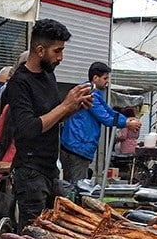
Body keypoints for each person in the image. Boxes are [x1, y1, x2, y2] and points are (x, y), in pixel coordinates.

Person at [2, 19, 92, 229]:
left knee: (58, 228)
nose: (61, 57)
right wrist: (65, 105)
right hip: (30, 172)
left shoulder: (48, 75)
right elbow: (29, 128)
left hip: (50, 169)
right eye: (57, 51)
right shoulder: (19, 83)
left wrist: (74, 107)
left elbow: (52, 119)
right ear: (40, 50)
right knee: (33, 237)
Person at [59, 61, 140, 189]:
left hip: (79, 147)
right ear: (95, 78)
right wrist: (126, 123)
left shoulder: (94, 92)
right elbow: (105, 118)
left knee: (76, 185)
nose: (107, 81)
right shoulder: (88, 93)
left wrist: (127, 120)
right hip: (76, 147)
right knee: (77, 187)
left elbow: (109, 111)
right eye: (105, 78)